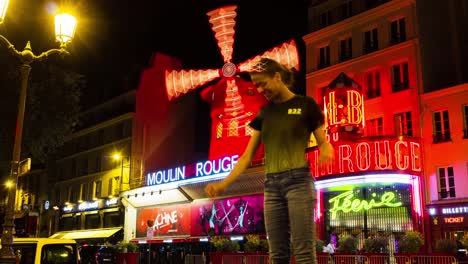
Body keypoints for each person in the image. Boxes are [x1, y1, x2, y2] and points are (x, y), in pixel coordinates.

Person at [205, 58, 335, 264]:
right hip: (271, 186)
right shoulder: (264, 113)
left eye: (262, 82)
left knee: (303, 252)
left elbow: (322, 140)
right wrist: (224, 184)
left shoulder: (305, 104)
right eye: (255, 84)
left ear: (277, 76)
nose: (259, 88)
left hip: (298, 182)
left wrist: (326, 149)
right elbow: (247, 156)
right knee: (277, 254)